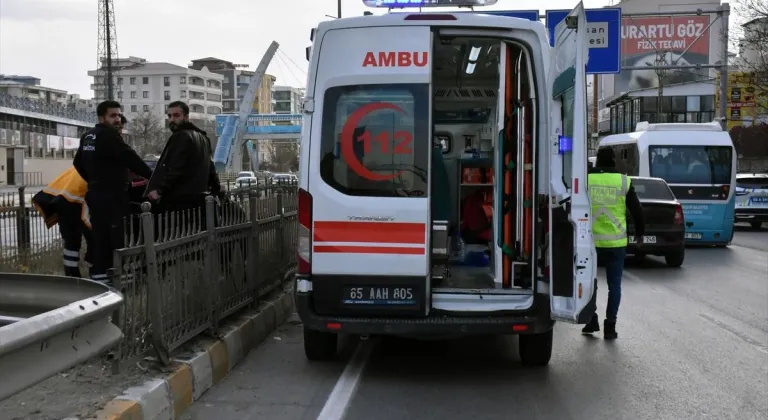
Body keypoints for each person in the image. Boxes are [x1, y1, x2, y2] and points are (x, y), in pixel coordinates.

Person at [73, 100, 152, 284]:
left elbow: (78, 163)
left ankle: (99, 277)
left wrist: (93, 180)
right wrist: (152, 176)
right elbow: (131, 158)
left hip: (95, 194)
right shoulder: (109, 135)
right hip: (112, 196)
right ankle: (113, 278)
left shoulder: (88, 136)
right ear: (102, 118)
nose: (117, 119)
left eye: (118, 115)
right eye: (113, 116)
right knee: (116, 238)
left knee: (100, 237)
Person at [582, 147, 645, 339]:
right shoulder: (623, 181)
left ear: (597, 161)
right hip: (616, 243)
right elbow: (637, 211)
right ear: (614, 162)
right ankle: (610, 326)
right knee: (615, 286)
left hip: (590, 242)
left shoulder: (587, 179)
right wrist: (640, 235)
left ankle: (591, 319)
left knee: (589, 283)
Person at [145, 101, 222, 221]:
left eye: (176, 115)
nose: (171, 120)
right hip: (198, 201)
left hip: (179, 202)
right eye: (169, 116)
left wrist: (159, 191)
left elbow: (176, 168)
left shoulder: (181, 136)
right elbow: (210, 167)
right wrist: (216, 189)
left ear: (186, 117)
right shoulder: (202, 137)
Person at [31, 167, 94, 278]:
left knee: (71, 243)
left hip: (61, 201)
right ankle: (94, 272)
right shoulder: (97, 166)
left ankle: (71, 277)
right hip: (73, 202)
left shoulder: (79, 165)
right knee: (93, 239)